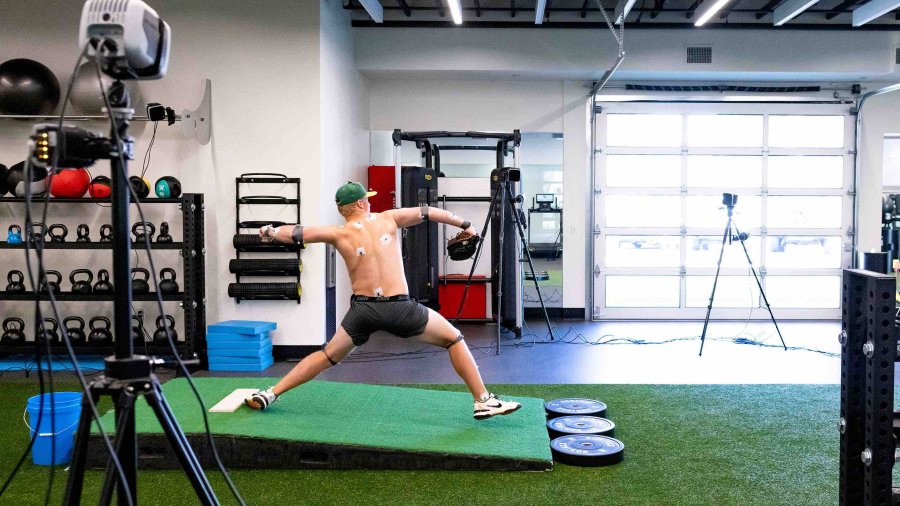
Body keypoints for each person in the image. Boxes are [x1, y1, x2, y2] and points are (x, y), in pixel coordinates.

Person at [244, 181, 521, 420]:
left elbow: (295, 233)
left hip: (363, 311)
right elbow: (428, 212)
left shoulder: (338, 233)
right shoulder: (388, 218)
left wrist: (269, 231)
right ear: (363, 203)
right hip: (399, 308)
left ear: (343, 209)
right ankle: (484, 401)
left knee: (328, 355)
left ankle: (270, 393)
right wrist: (467, 225)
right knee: (454, 339)